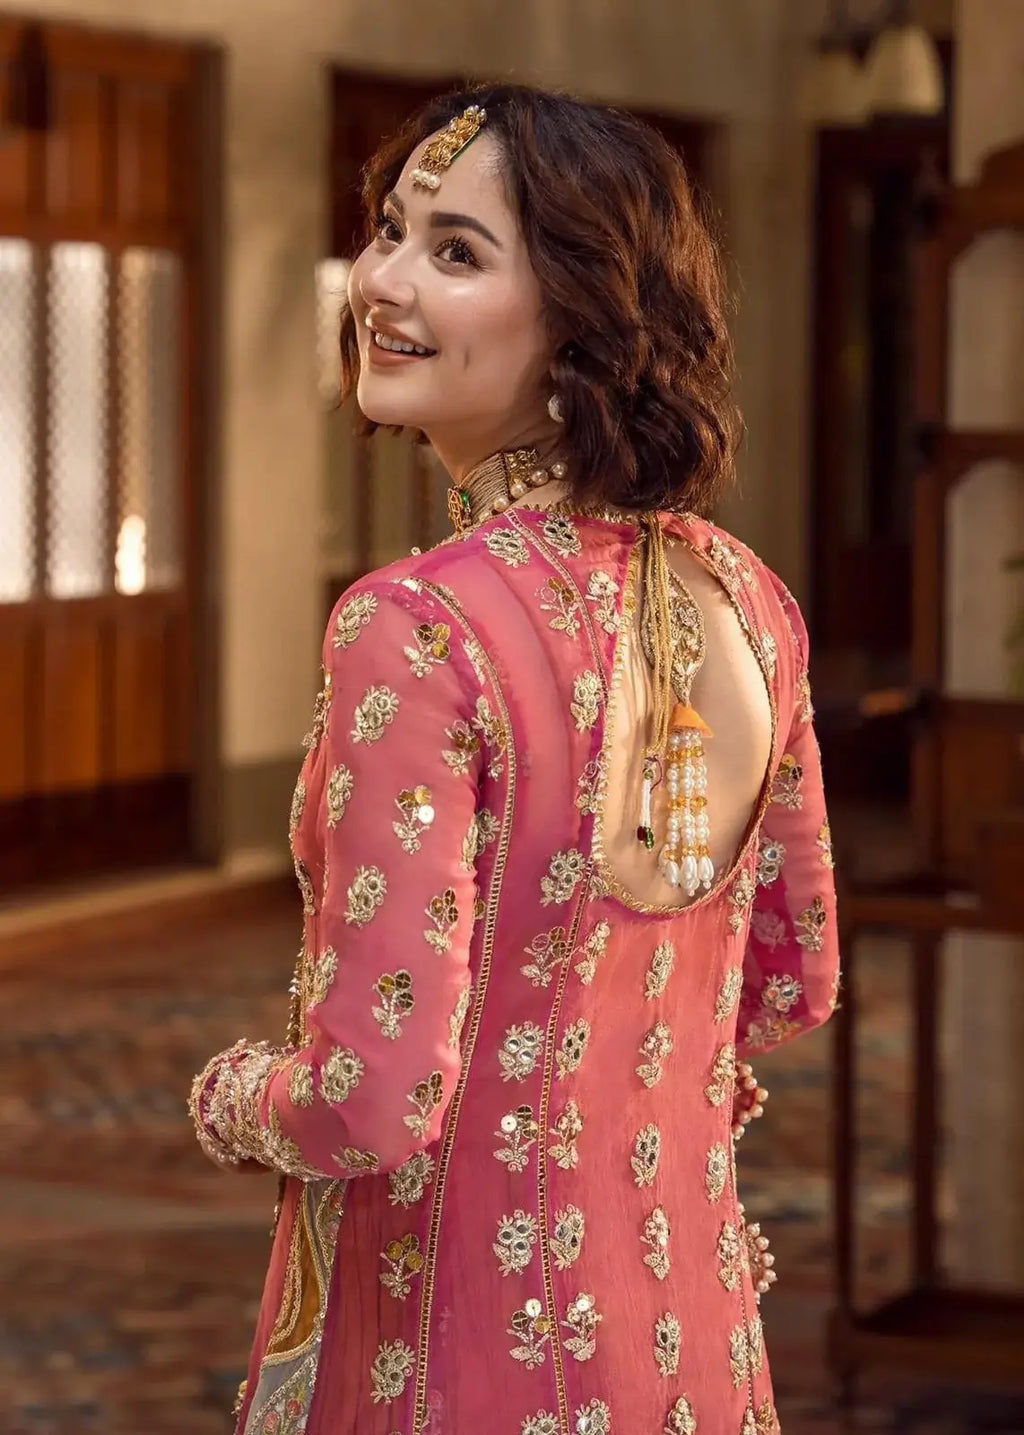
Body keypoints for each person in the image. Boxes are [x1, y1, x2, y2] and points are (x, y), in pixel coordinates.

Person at [190, 84, 840, 1435]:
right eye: (386, 230)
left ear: (581, 322)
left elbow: (371, 1103)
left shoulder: (416, 627)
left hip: (451, 1355)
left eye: (457, 252)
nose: (380, 279)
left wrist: (233, 1092)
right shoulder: (749, 602)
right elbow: (794, 970)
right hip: (688, 1340)